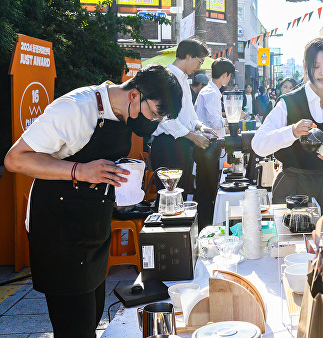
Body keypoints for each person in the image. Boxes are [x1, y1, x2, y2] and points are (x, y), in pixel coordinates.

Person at [3, 65, 182, 338]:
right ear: (135, 95)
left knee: (92, 317)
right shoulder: (75, 109)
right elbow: (15, 159)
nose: (153, 123)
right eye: (154, 114)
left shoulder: (122, 111)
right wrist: (79, 170)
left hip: (93, 225)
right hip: (57, 229)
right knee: (74, 327)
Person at [252, 37, 323, 256]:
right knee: (289, 257)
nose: (322, 73)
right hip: (291, 186)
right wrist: (292, 131)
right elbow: (258, 144)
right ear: (305, 67)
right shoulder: (288, 103)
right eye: (316, 66)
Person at [150, 38, 216, 200]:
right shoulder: (166, 77)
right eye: (199, 62)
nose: (199, 67)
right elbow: (166, 119)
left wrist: (200, 127)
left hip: (182, 143)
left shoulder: (183, 79)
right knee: (168, 199)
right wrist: (193, 136)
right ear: (187, 56)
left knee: (181, 195)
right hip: (167, 145)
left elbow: (189, 114)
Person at [194, 58, 235, 229]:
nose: (229, 81)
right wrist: (230, 119)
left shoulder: (211, 91)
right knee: (207, 188)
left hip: (207, 145)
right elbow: (213, 121)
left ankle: (207, 223)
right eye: (229, 77)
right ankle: (207, 224)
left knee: (206, 187)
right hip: (206, 146)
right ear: (225, 75)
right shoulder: (211, 92)